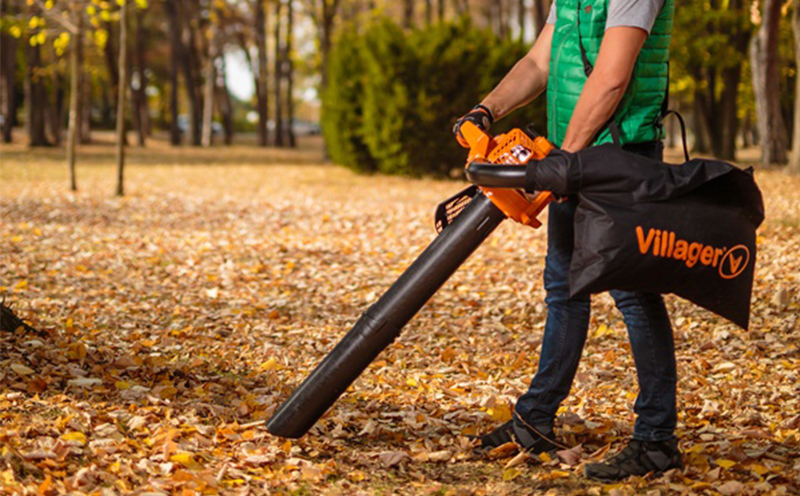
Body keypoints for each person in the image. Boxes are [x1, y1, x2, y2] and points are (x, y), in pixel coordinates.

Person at [453, 0, 682, 482]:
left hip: (622, 153)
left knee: (634, 293)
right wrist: (486, 110)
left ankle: (657, 440)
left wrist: (561, 160)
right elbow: (540, 62)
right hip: (572, 152)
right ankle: (535, 421)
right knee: (564, 287)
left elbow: (612, 78)